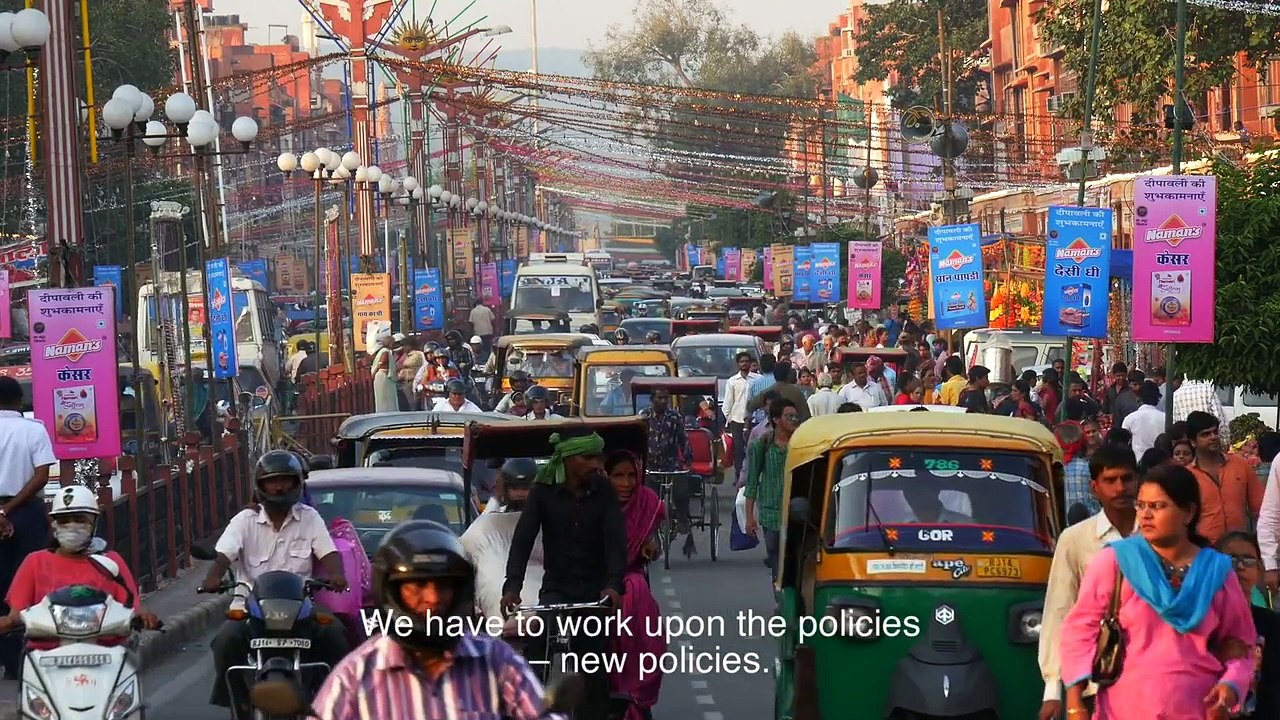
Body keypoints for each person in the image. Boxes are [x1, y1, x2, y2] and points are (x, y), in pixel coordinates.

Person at [1058, 463, 1256, 720]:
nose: (1145, 515)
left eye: (1157, 506)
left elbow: (1241, 644)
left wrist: (1231, 685)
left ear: (1188, 513)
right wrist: (1075, 705)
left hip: (1198, 708)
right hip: (1124, 709)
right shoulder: (1117, 562)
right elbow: (1079, 631)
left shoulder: (1216, 570)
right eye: (1141, 505)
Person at [312, 521, 551, 719]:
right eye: (418, 586)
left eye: (443, 585)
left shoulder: (497, 661)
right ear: (391, 591)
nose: (432, 597)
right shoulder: (354, 677)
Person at [202, 451, 350, 713]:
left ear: (297, 484)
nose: (279, 487)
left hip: (301, 605)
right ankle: (239, 700)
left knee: (334, 633)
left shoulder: (310, 517)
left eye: (286, 481)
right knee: (225, 640)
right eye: (272, 481)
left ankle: (332, 701)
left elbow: (328, 552)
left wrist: (337, 574)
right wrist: (212, 577)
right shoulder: (244, 521)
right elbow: (225, 554)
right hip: (251, 605)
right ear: (261, 485)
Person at [503, 429, 627, 720]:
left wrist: (612, 585)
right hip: (556, 587)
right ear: (568, 459)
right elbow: (523, 540)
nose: (596, 464)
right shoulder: (543, 490)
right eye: (588, 457)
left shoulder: (604, 490)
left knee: (593, 662)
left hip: (594, 590)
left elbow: (615, 542)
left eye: (598, 457)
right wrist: (512, 586)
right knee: (538, 644)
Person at [1037, 444, 1138, 720]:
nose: (1120, 488)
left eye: (1127, 479)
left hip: (1151, 679)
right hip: (1096, 678)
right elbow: (1060, 610)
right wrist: (1052, 689)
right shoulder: (1075, 539)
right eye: (1110, 480)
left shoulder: (1157, 534)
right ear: (1095, 487)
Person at [0, 486, 161, 637]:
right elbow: (16, 614)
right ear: (55, 524)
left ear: (93, 523)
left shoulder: (110, 562)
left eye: (80, 520)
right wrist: (8, 622)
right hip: (46, 654)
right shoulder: (34, 562)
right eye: (64, 521)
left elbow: (133, 605)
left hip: (105, 652)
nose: (72, 526)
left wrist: (144, 615)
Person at [604, 451, 666, 720]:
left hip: (629, 580)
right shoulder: (593, 503)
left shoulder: (646, 502)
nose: (626, 483)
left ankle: (635, 689)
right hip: (592, 580)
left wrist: (651, 547)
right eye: (618, 476)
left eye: (631, 476)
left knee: (636, 592)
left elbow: (653, 542)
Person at [0, 376, 55, 677]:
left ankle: (7, 661)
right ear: (19, 401)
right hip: (25, 510)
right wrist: (9, 508)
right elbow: (42, 476)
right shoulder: (33, 429)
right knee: (29, 582)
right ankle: (28, 656)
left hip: (6, 508)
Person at [461, 458, 542, 623]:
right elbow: (467, 548)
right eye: (515, 488)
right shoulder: (488, 523)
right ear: (505, 489)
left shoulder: (548, 519)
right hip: (506, 602)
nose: (520, 493)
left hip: (548, 599)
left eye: (525, 488)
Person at [1215, 532, 1280, 719]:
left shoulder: (1271, 623)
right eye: (1231, 559)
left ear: (1260, 571)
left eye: (1249, 560)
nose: (1240, 567)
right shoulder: (1202, 621)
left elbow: (1273, 689)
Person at [1187, 410, 1263, 545]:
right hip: (1205, 551)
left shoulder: (1240, 465)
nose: (1213, 437)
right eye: (1205, 434)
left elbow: (1260, 509)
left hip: (1239, 549)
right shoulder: (1187, 476)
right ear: (1193, 442)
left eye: (1215, 432)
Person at [745, 398, 799, 582]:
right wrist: (749, 517)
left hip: (796, 511)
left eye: (795, 416)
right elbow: (752, 482)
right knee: (774, 553)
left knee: (794, 556)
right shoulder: (762, 445)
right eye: (788, 416)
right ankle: (779, 591)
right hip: (770, 512)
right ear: (776, 420)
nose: (794, 420)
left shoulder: (801, 445)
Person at [642, 388, 695, 555]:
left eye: (666, 398)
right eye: (660, 398)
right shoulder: (644, 417)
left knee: (681, 492)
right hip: (650, 466)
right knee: (649, 499)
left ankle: (682, 519)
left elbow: (683, 440)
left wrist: (687, 458)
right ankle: (652, 530)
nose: (663, 401)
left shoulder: (675, 417)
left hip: (671, 464)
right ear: (652, 399)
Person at [722, 351, 758, 479]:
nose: (744, 364)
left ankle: (752, 476)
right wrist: (730, 419)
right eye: (742, 361)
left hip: (753, 420)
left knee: (753, 450)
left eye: (747, 361)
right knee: (738, 451)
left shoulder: (757, 379)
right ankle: (739, 477)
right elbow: (727, 405)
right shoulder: (732, 381)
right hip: (736, 421)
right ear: (738, 364)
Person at [1123, 380, 1166, 457]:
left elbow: (1123, 442)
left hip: (1138, 462)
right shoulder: (1165, 418)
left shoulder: (1130, 419)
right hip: (1160, 462)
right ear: (1158, 398)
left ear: (1138, 398)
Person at [371, 328, 399, 413]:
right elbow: (383, 361)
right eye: (393, 343)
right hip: (384, 376)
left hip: (382, 376)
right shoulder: (385, 351)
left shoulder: (383, 351)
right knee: (386, 397)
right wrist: (379, 369)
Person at [396, 336, 426, 411]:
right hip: (405, 382)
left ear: (411, 345)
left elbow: (404, 364)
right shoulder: (407, 355)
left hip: (412, 382)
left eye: (405, 346)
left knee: (412, 404)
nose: (404, 348)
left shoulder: (416, 355)